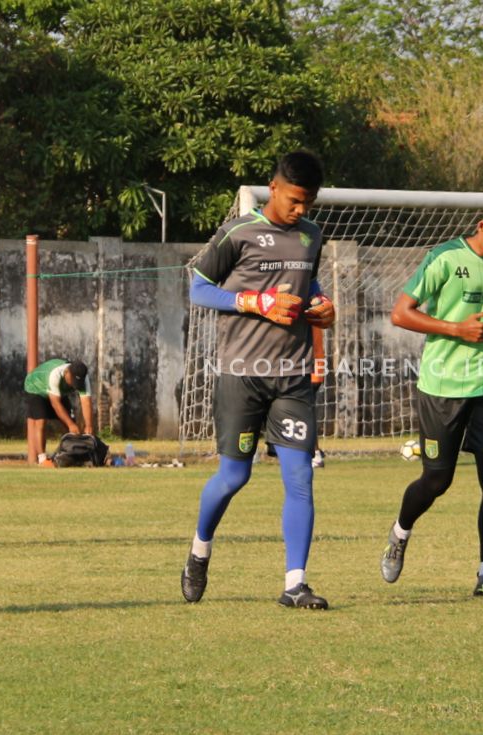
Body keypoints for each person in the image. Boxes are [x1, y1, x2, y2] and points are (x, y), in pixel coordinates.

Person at [179, 151, 335, 609]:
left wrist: (322, 305)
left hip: (292, 376)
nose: (300, 210)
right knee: (233, 477)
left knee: (300, 476)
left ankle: (295, 584)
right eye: (294, 199)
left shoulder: (311, 236)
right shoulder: (237, 233)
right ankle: (199, 549)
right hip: (241, 375)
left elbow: (308, 285)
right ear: (274, 187)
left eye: (308, 202)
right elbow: (199, 286)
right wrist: (253, 302)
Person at [378, 197, 483, 601]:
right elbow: (401, 314)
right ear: (482, 227)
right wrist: (455, 329)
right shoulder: (444, 259)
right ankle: (399, 532)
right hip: (443, 386)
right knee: (437, 480)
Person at [24, 358, 94, 466]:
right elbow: (55, 404)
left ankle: (74, 454)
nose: (75, 386)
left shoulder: (83, 378)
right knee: (41, 421)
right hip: (36, 387)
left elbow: (86, 402)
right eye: (73, 381)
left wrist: (89, 426)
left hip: (57, 392)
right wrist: (71, 424)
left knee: (72, 427)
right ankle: (42, 459)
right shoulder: (55, 374)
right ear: (67, 373)